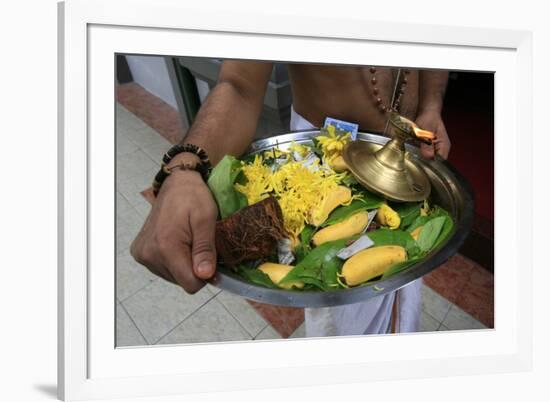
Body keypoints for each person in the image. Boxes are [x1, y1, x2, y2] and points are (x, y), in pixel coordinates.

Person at [130, 61, 451, 336]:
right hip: (322, 167)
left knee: (402, 290)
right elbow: (239, 85)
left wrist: (430, 106)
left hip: (405, 162)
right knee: (340, 340)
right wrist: (185, 167)